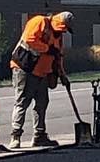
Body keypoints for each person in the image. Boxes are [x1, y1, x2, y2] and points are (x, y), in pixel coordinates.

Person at [10, 11, 73, 146]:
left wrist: (62, 75)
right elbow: (29, 40)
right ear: (55, 22)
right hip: (25, 69)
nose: (61, 32)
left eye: (64, 30)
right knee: (22, 102)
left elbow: (58, 58)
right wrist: (47, 48)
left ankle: (39, 136)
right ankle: (15, 136)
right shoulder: (40, 22)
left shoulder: (58, 37)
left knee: (42, 103)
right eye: (61, 28)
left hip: (42, 72)